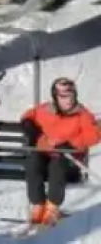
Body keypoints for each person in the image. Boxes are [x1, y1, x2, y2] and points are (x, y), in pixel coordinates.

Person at [20, 76, 101, 227]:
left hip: (66, 154)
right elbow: (29, 114)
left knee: (57, 167)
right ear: (55, 97)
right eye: (63, 97)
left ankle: (52, 206)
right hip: (44, 151)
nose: (68, 100)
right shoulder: (46, 109)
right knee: (33, 163)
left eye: (71, 95)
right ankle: (38, 204)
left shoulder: (81, 114)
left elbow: (95, 134)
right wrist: (29, 125)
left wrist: (70, 143)